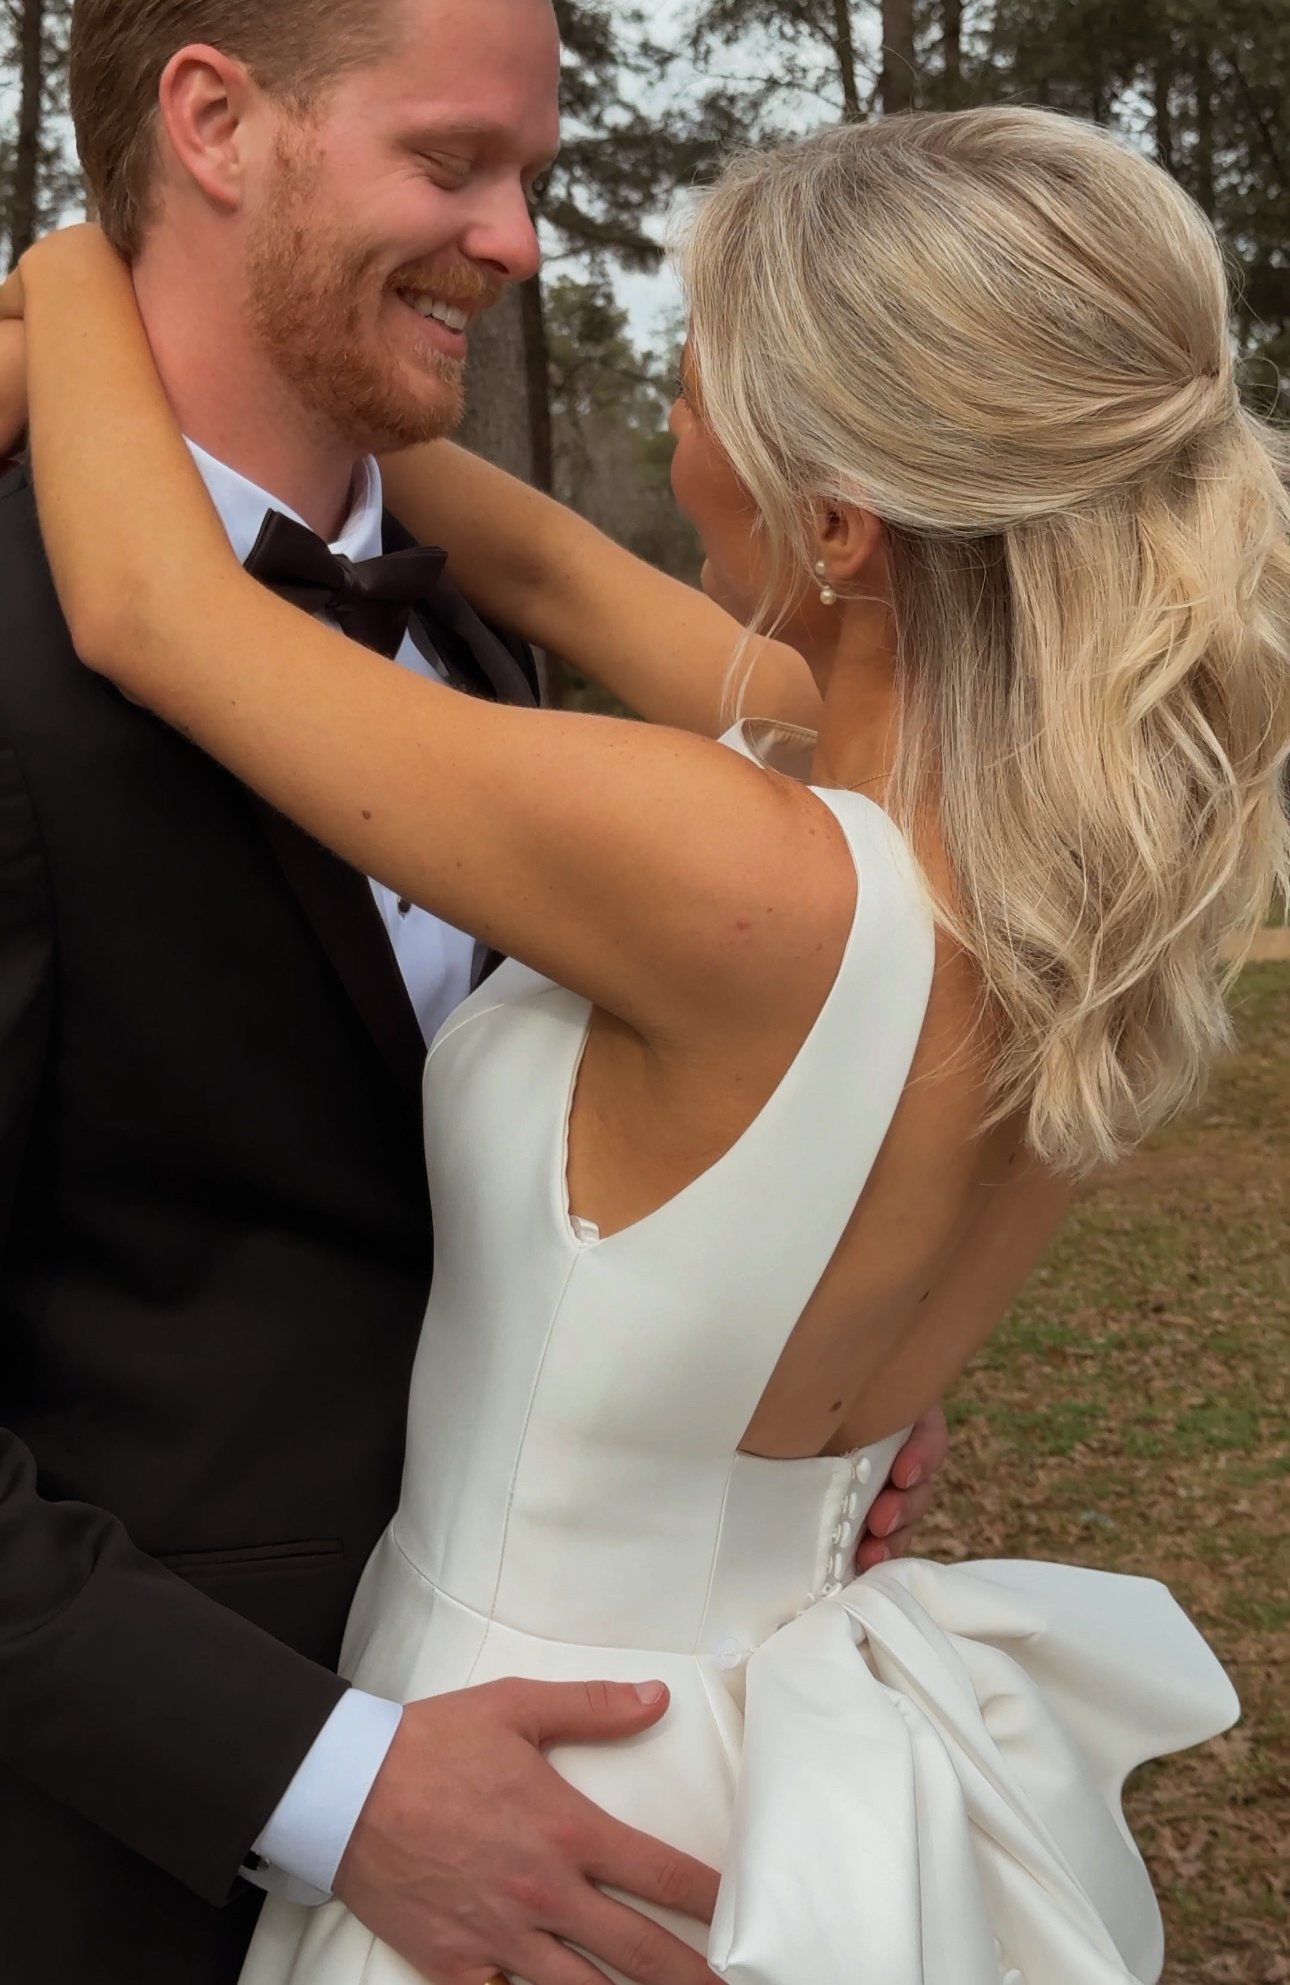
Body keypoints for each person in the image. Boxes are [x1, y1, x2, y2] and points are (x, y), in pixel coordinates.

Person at [13, 97, 1284, 1985]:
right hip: (765, 1751)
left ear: (837, 519)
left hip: (532, 1774)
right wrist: (264, 331)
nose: (672, 417)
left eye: (699, 384)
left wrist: (69, 267)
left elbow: (154, 612)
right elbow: (528, 570)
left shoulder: (733, 876)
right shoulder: (1074, 862)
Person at [0, 0, 940, 1985]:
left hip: (594, 1833)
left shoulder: (474, 614)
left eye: (526, 163)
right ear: (212, 123)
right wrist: (318, 1776)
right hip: (120, 1873)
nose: (520, 238)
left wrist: (788, 1391)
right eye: (453, 160)